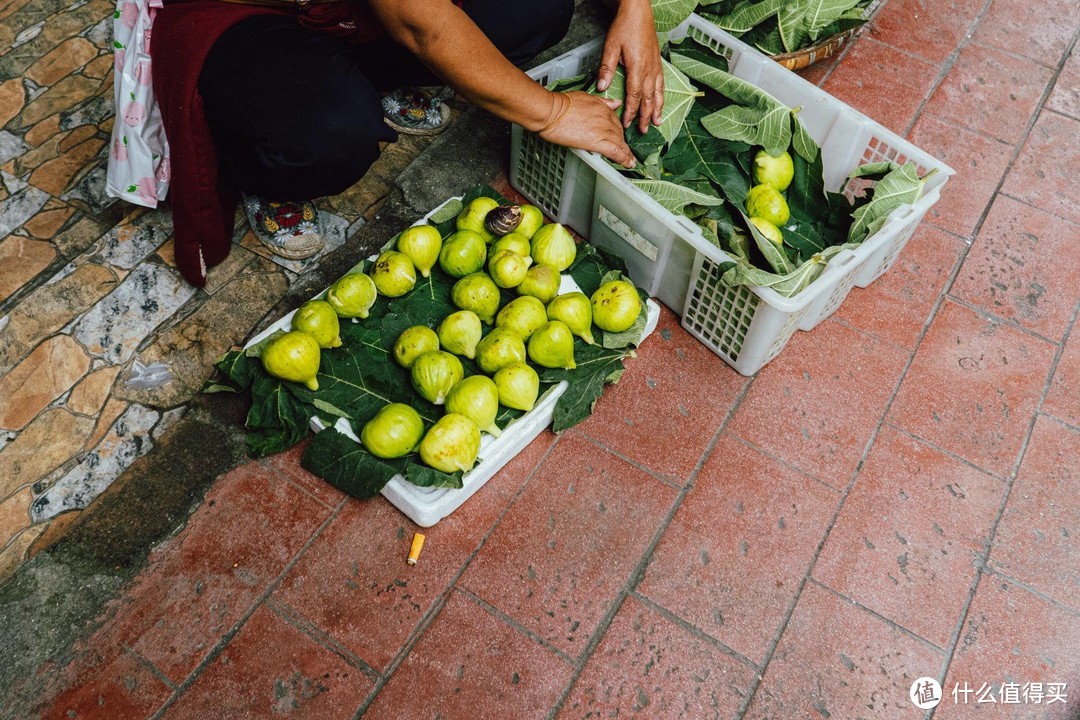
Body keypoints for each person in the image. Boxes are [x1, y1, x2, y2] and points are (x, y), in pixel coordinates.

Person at [149, 0, 664, 286]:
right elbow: (425, 26)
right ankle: (267, 163)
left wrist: (635, 8)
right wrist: (550, 112)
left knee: (537, 6)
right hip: (251, 15)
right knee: (330, 133)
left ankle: (363, 77)